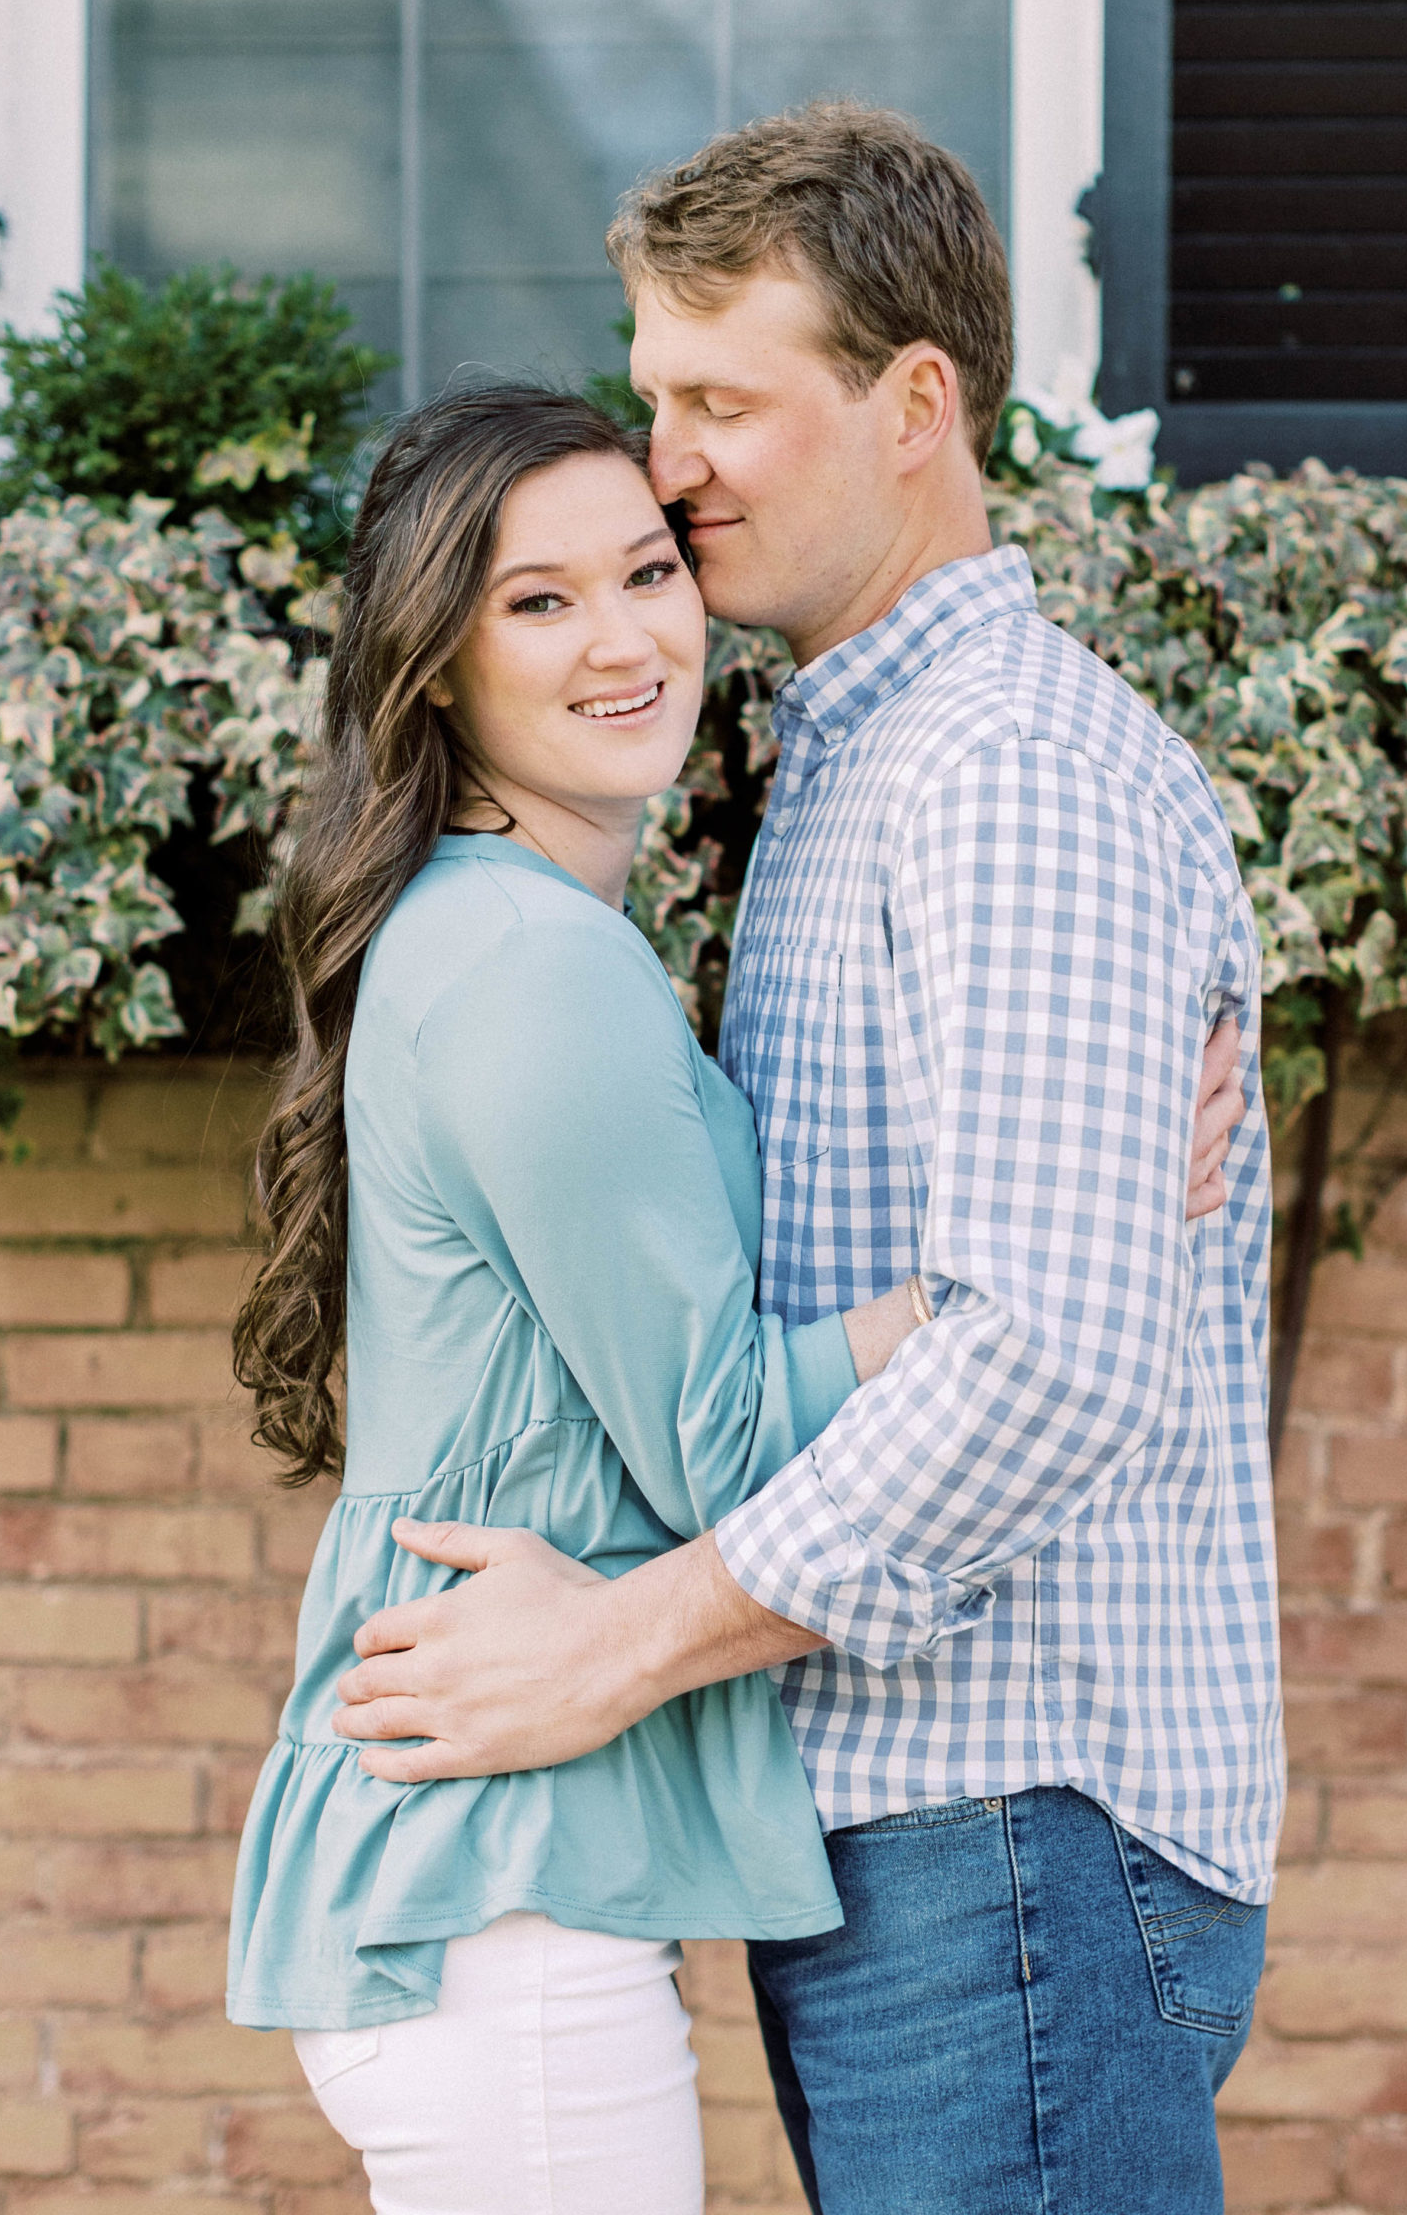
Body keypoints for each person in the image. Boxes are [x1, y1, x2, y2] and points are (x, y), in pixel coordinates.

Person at [326, 104, 1282, 2215]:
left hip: (1007, 1816)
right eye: (650, 389)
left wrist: (624, 1636)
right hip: (915, 1823)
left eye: (715, 401)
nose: (664, 459)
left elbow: (1049, 1354)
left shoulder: (1001, 774)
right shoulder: (845, 757)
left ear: (912, 402)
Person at [227, 386, 938, 2215]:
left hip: (495, 1890)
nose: (626, 638)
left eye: (646, 571)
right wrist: (970, 1298)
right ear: (434, 666)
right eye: (539, 602)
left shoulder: (505, 933)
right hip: (497, 1909)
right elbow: (714, 1452)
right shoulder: (538, 968)